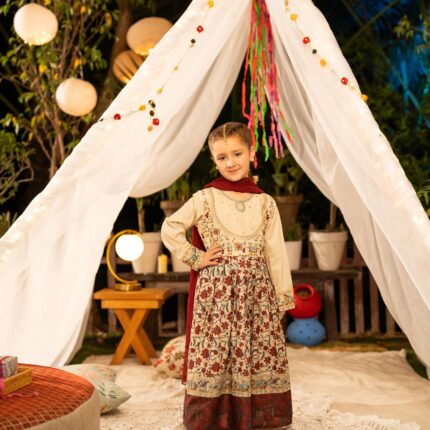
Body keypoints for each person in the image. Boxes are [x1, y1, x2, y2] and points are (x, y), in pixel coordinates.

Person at [161, 122, 295, 429]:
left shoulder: (265, 202)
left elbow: (276, 251)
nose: (230, 162)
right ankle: (213, 415)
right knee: (217, 350)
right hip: (217, 295)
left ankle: (258, 415)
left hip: (257, 292)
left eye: (237, 154)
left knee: (257, 349)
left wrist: (282, 296)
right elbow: (170, 228)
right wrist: (197, 257)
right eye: (222, 157)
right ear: (214, 160)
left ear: (251, 153)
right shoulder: (205, 198)